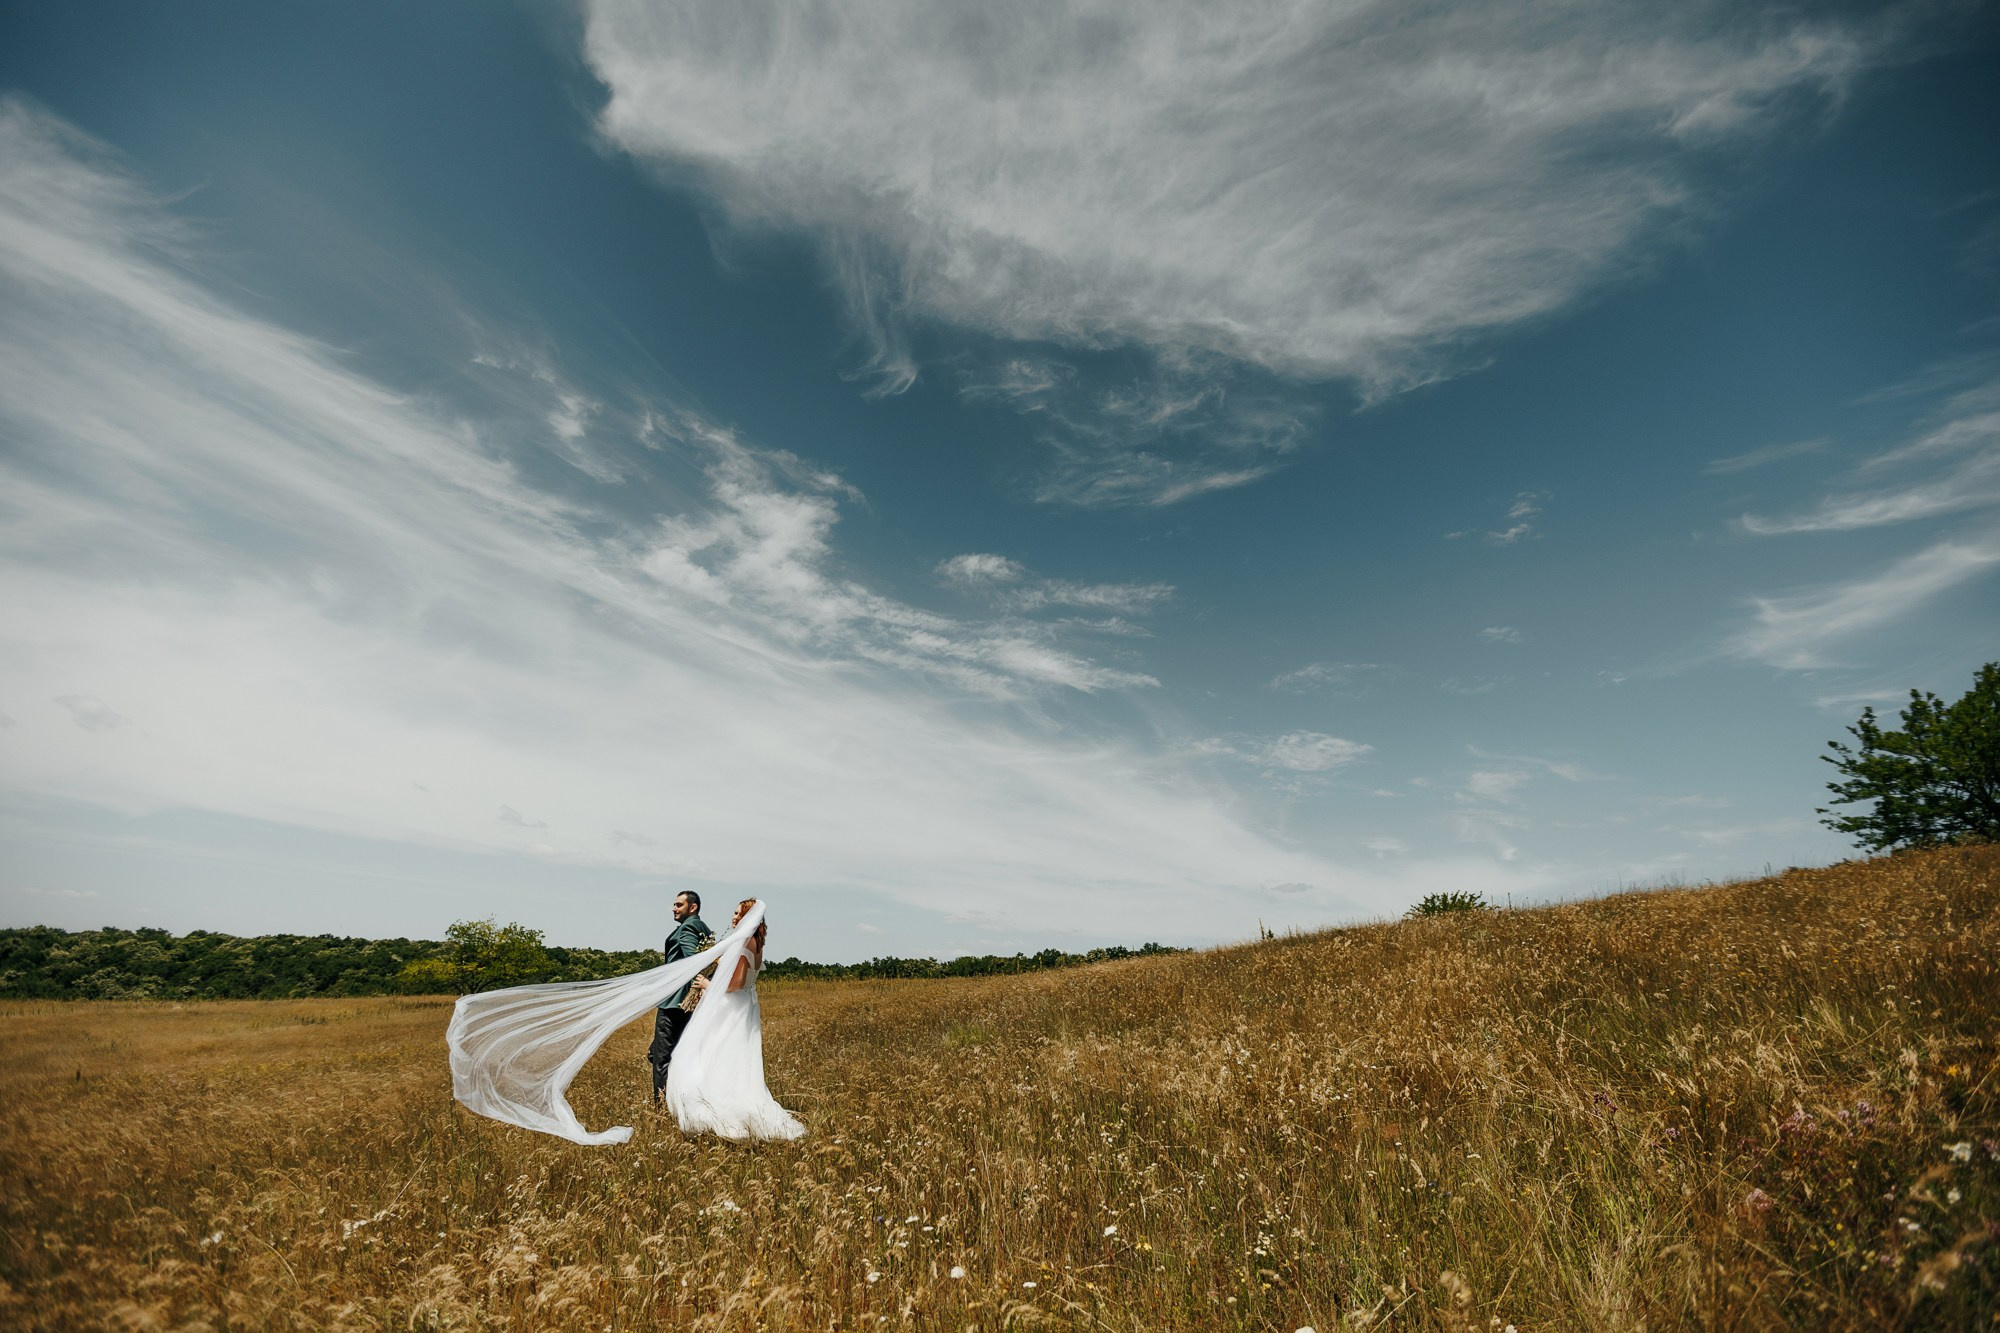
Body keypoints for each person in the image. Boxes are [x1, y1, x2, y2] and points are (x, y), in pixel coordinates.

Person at [662, 898, 806, 1141]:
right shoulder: (757, 943)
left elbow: (738, 982)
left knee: (712, 1057)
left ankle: (720, 1113)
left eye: (739, 914)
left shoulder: (745, 942)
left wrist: (708, 984)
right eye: (735, 913)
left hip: (732, 1007)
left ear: (749, 917)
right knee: (731, 1059)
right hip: (743, 1007)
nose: (734, 917)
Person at [647, 890, 708, 1104]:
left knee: (661, 1059)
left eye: (679, 905)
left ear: (693, 907)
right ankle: (682, 1098)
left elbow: (695, 961)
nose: (674, 908)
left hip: (676, 1002)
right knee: (659, 1053)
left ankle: (663, 1107)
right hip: (687, 1002)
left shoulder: (689, 927)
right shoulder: (703, 928)